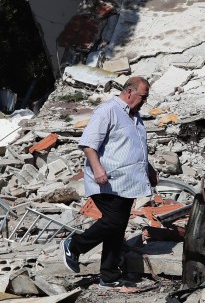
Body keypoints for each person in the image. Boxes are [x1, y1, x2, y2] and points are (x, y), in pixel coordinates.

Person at [61, 76, 157, 287]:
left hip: (128, 183)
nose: (144, 101)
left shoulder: (135, 117)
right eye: (143, 96)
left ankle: (109, 275)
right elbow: (88, 143)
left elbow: (136, 149)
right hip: (106, 180)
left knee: (118, 226)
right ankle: (74, 245)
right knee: (113, 221)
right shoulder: (108, 110)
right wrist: (97, 168)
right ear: (129, 92)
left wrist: (149, 169)